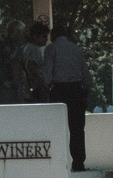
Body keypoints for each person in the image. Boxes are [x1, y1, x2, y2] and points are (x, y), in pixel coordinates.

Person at [42, 24, 95, 170]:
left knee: (57, 127)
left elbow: (47, 73)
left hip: (59, 90)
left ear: (54, 35)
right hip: (76, 90)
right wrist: (86, 88)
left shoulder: (51, 49)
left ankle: (58, 162)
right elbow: (85, 72)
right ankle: (78, 162)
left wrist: (45, 87)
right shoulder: (76, 49)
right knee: (77, 128)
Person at [20, 21, 50, 100]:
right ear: (35, 37)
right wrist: (41, 83)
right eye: (44, 36)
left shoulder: (26, 47)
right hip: (35, 86)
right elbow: (31, 66)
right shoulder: (34, 49)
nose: (46, 39)